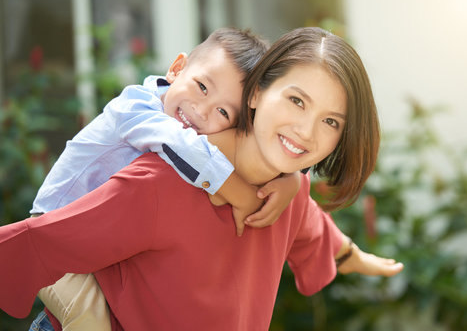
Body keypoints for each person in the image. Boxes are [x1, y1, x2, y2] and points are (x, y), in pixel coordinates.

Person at [0, 27, 404, 330]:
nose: (306, 131)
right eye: (296, 100)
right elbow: (42, 240)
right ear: (257, 94)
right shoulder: (162, 181)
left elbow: (314, 227)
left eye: (330, 121)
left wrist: (354, 257)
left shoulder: (287, 190)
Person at [26, 27, 301, 331]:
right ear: (176, 68)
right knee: (90, 319)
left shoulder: (197, 137)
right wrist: (239, 193)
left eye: (223, 112)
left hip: (98, 250)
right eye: (202, 87)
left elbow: (253, 151)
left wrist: (292, 179)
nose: (201, 110)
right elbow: (180, 145)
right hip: (53, 238)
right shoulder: (135, 109)